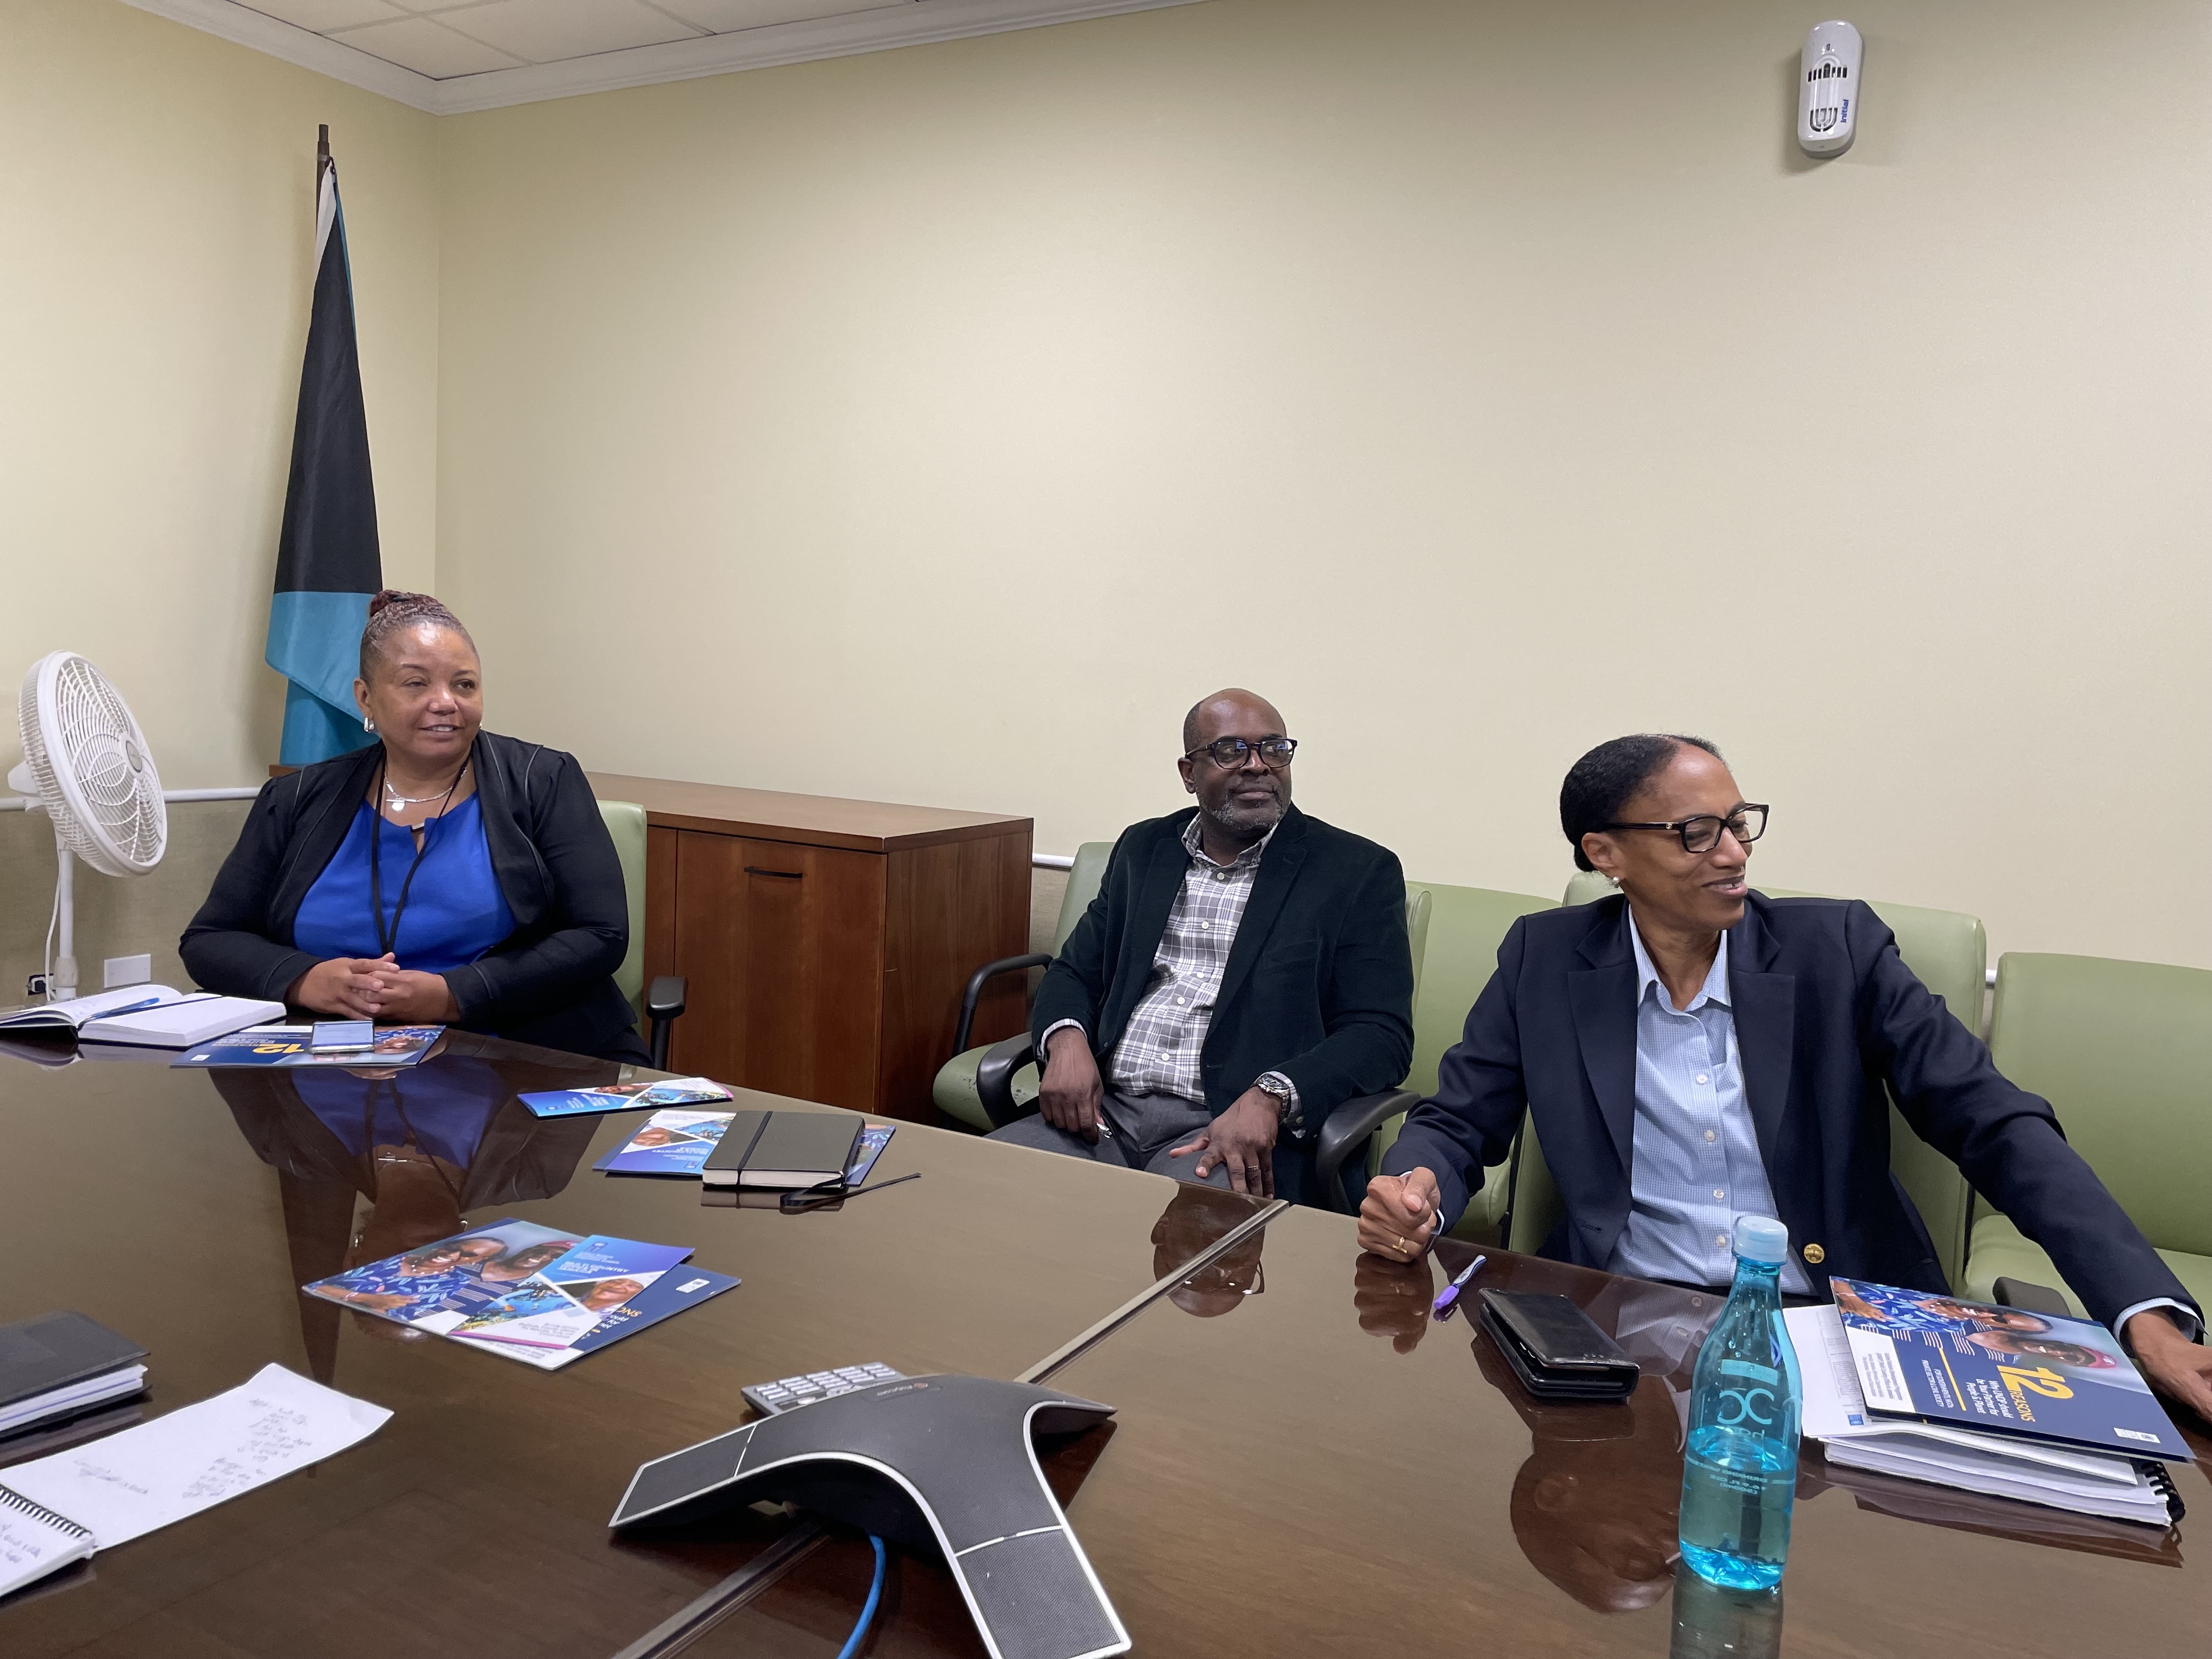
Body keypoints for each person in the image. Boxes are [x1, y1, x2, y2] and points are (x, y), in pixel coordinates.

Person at [1361, 732, 2212, 1421]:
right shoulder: (1544, 960)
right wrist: (1415, 1180)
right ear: (1605, 853)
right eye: (1696, 833)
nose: (1734, 853)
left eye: (1740, 823)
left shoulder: (1836, 950)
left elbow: (1993, 1122)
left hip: (1833, 1331)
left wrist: (2146, 1314)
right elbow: (1462, 1118)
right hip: (1615, 1330)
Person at [989, 689, 1414, 1204]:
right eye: (1231, 750)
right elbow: (1075, 972)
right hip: (1101, 1118)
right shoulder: (1144, 850)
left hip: (1226, 1135)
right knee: (979, 1201)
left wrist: (1271, 1095)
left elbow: (1381, 1035)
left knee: (1182, 1268)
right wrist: (1066, 1041)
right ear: (1189, 773)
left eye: (1274, 749)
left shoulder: (1355, 872)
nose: (1258, 766)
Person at [182, 590, 644, 1060]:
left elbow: (600, 934)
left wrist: (455, 993)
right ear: (365, 698)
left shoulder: (543, 780)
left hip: (520, 1047)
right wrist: (306, 980)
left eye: (464, 685)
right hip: (336, 1059)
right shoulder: (297, 799)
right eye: (415, 684)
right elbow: (211, 941)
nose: (445, 703)